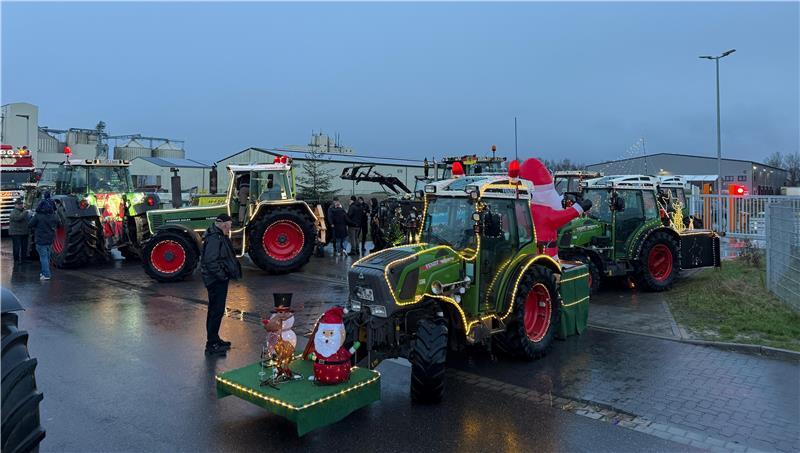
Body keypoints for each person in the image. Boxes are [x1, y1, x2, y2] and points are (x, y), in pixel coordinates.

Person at [201, 213, 242, 356]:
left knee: (216, 311)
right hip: (216, 281)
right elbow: (210, 261)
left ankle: (215, 339)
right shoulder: (215, 238)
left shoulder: (217, 235)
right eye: (229, 227)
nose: (229, 229)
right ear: (224, 225)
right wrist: (222, 276)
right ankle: (211, 344)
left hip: (216, 279)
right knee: (215, 312)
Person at [28, 195, 62, 280]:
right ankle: (44, 273)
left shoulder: (38, 216)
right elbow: (60, 225)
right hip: (50, 239)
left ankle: (46, 274)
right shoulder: (55, 216)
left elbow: (30, 225)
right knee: (47, 257)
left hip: (40, 239)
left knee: (43, 257)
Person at [9, 199, 31, 264]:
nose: (21, 205)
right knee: (16, 247)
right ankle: (16, 260)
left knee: (24, 247)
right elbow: (17, 218)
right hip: (16, 233)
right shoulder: (13, 212)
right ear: (15, 205)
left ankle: (24, 259)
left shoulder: (23, 211)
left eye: (21, 204)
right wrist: (25, 212)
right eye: (19, 204)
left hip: (24, 232)